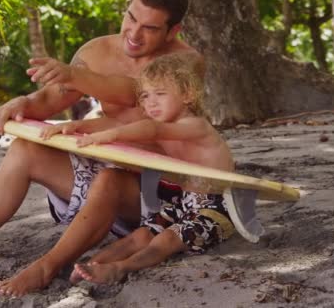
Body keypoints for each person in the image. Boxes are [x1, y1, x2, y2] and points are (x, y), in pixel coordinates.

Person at [0, 0, 202, 297]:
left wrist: (77, 76)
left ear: (173, 32)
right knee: (25, 149)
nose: (134, 34)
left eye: (151, 28)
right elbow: (50, 99)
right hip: (104, 186)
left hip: (160, 197)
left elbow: (136, 92)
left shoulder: (188, 62)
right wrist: (23, 103)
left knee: (110, 180)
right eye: (131, 17)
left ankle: (45, 268)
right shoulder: (96, 52)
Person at [42, 52, 235, 284]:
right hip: (183, 205)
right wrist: (75, 126)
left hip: (216, 210)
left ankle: (121, 268)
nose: (150, 102)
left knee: (165, 240)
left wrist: (110, 136)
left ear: (187, 94)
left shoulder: (196, 126)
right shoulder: (167, 125)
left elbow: (150, 130)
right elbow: (123, 123)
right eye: (144, 96)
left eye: (160, 94)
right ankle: (92, 265)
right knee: (140, 236)